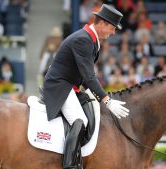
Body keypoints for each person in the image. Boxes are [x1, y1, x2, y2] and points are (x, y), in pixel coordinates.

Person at [42, 4, 129, 169]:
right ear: (102, 23)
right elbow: (89, 77)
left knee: (93, 109)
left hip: (71, 86)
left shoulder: (92, 40)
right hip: (60, 85)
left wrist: (101, 98)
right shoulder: (83, 40)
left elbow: (84, 77)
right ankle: (70, 165)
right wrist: (107, 100)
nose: (114, 32)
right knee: (79, 120)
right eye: (112, 27)